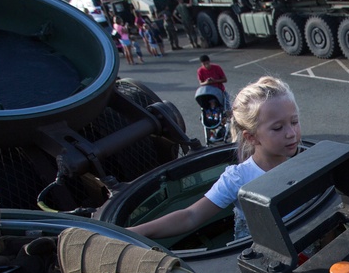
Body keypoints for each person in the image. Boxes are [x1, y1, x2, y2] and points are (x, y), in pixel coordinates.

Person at [128, 76, 301, 241]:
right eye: (278, 128)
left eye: (294, 122)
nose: (291, 134)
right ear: (251, 137)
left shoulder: (303, 159)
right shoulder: (239, 178)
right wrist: (130, 233)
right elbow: (191, 216)